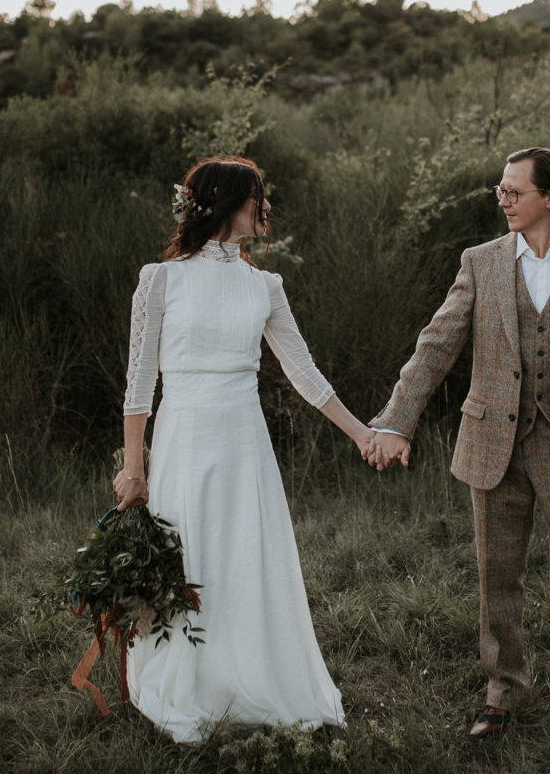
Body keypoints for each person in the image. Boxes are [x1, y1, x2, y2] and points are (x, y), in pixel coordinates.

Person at [368, 146, 550, 745]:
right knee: (498, 574)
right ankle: (501, 688)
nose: (501, 200)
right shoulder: (481, 262)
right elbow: (435, 348)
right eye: (499, 191)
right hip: (491, 442)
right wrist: (397, 420)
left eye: (513, 192)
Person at [112, 155, 379, 743]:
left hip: (243, 441)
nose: (265, 209)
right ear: (228, 204)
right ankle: (187, 681)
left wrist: (362, 433)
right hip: (183, 439)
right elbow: (139, 384)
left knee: (243, 557)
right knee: (190, 555)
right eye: (257, 197)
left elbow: (304, 374)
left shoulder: (267, 286)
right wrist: (135, 467)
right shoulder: (160, 281)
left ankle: (255, 673)